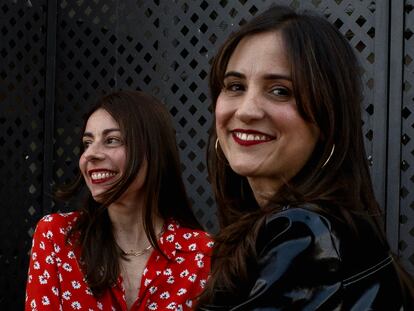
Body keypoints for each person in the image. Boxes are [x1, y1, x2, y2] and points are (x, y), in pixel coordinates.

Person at [196, 5, 414, 310]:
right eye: (235, 86)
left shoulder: (305, 234)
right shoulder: (331, 229)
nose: (246, 110)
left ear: (328, 118)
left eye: (280, 91)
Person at [25, 90, 213, 311]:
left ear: (152, 151)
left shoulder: (202, 253)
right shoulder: (59, 236)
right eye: (87, 143)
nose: (90, 155)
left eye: (112, 140)